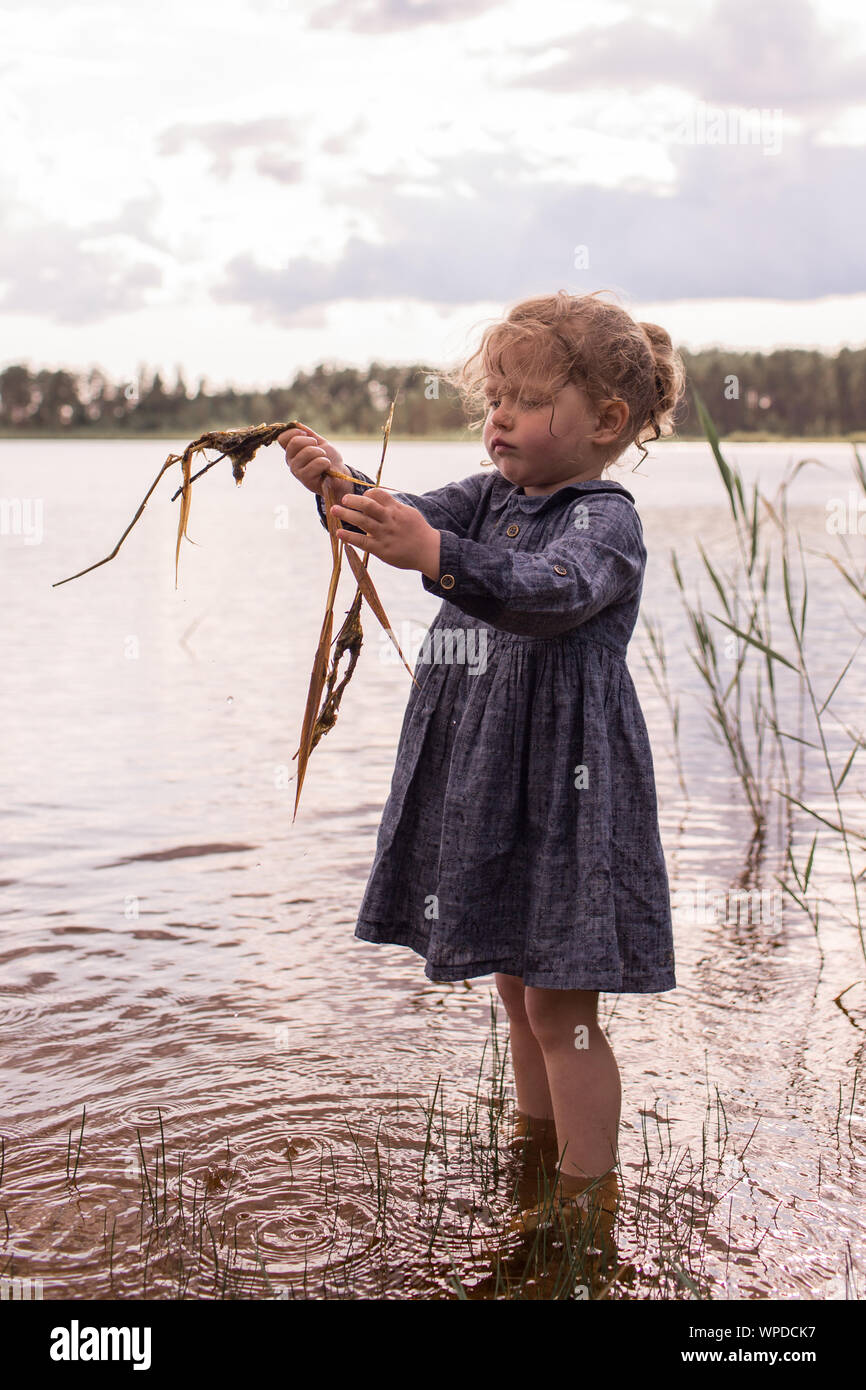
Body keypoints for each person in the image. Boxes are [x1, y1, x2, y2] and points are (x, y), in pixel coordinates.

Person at [276, 289, 686, 1237]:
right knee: (515, 981)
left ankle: (587, 1203)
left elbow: (553, 590)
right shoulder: (490, 495)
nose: (498, 415)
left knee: (562, 1006)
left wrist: (438, 556)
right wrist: (335, 483)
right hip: (488, 774)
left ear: (605, 421)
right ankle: (533, 1155)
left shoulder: (604, 520)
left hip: (563, 790)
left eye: (527, 398)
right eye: (493, 394)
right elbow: (401, 517)